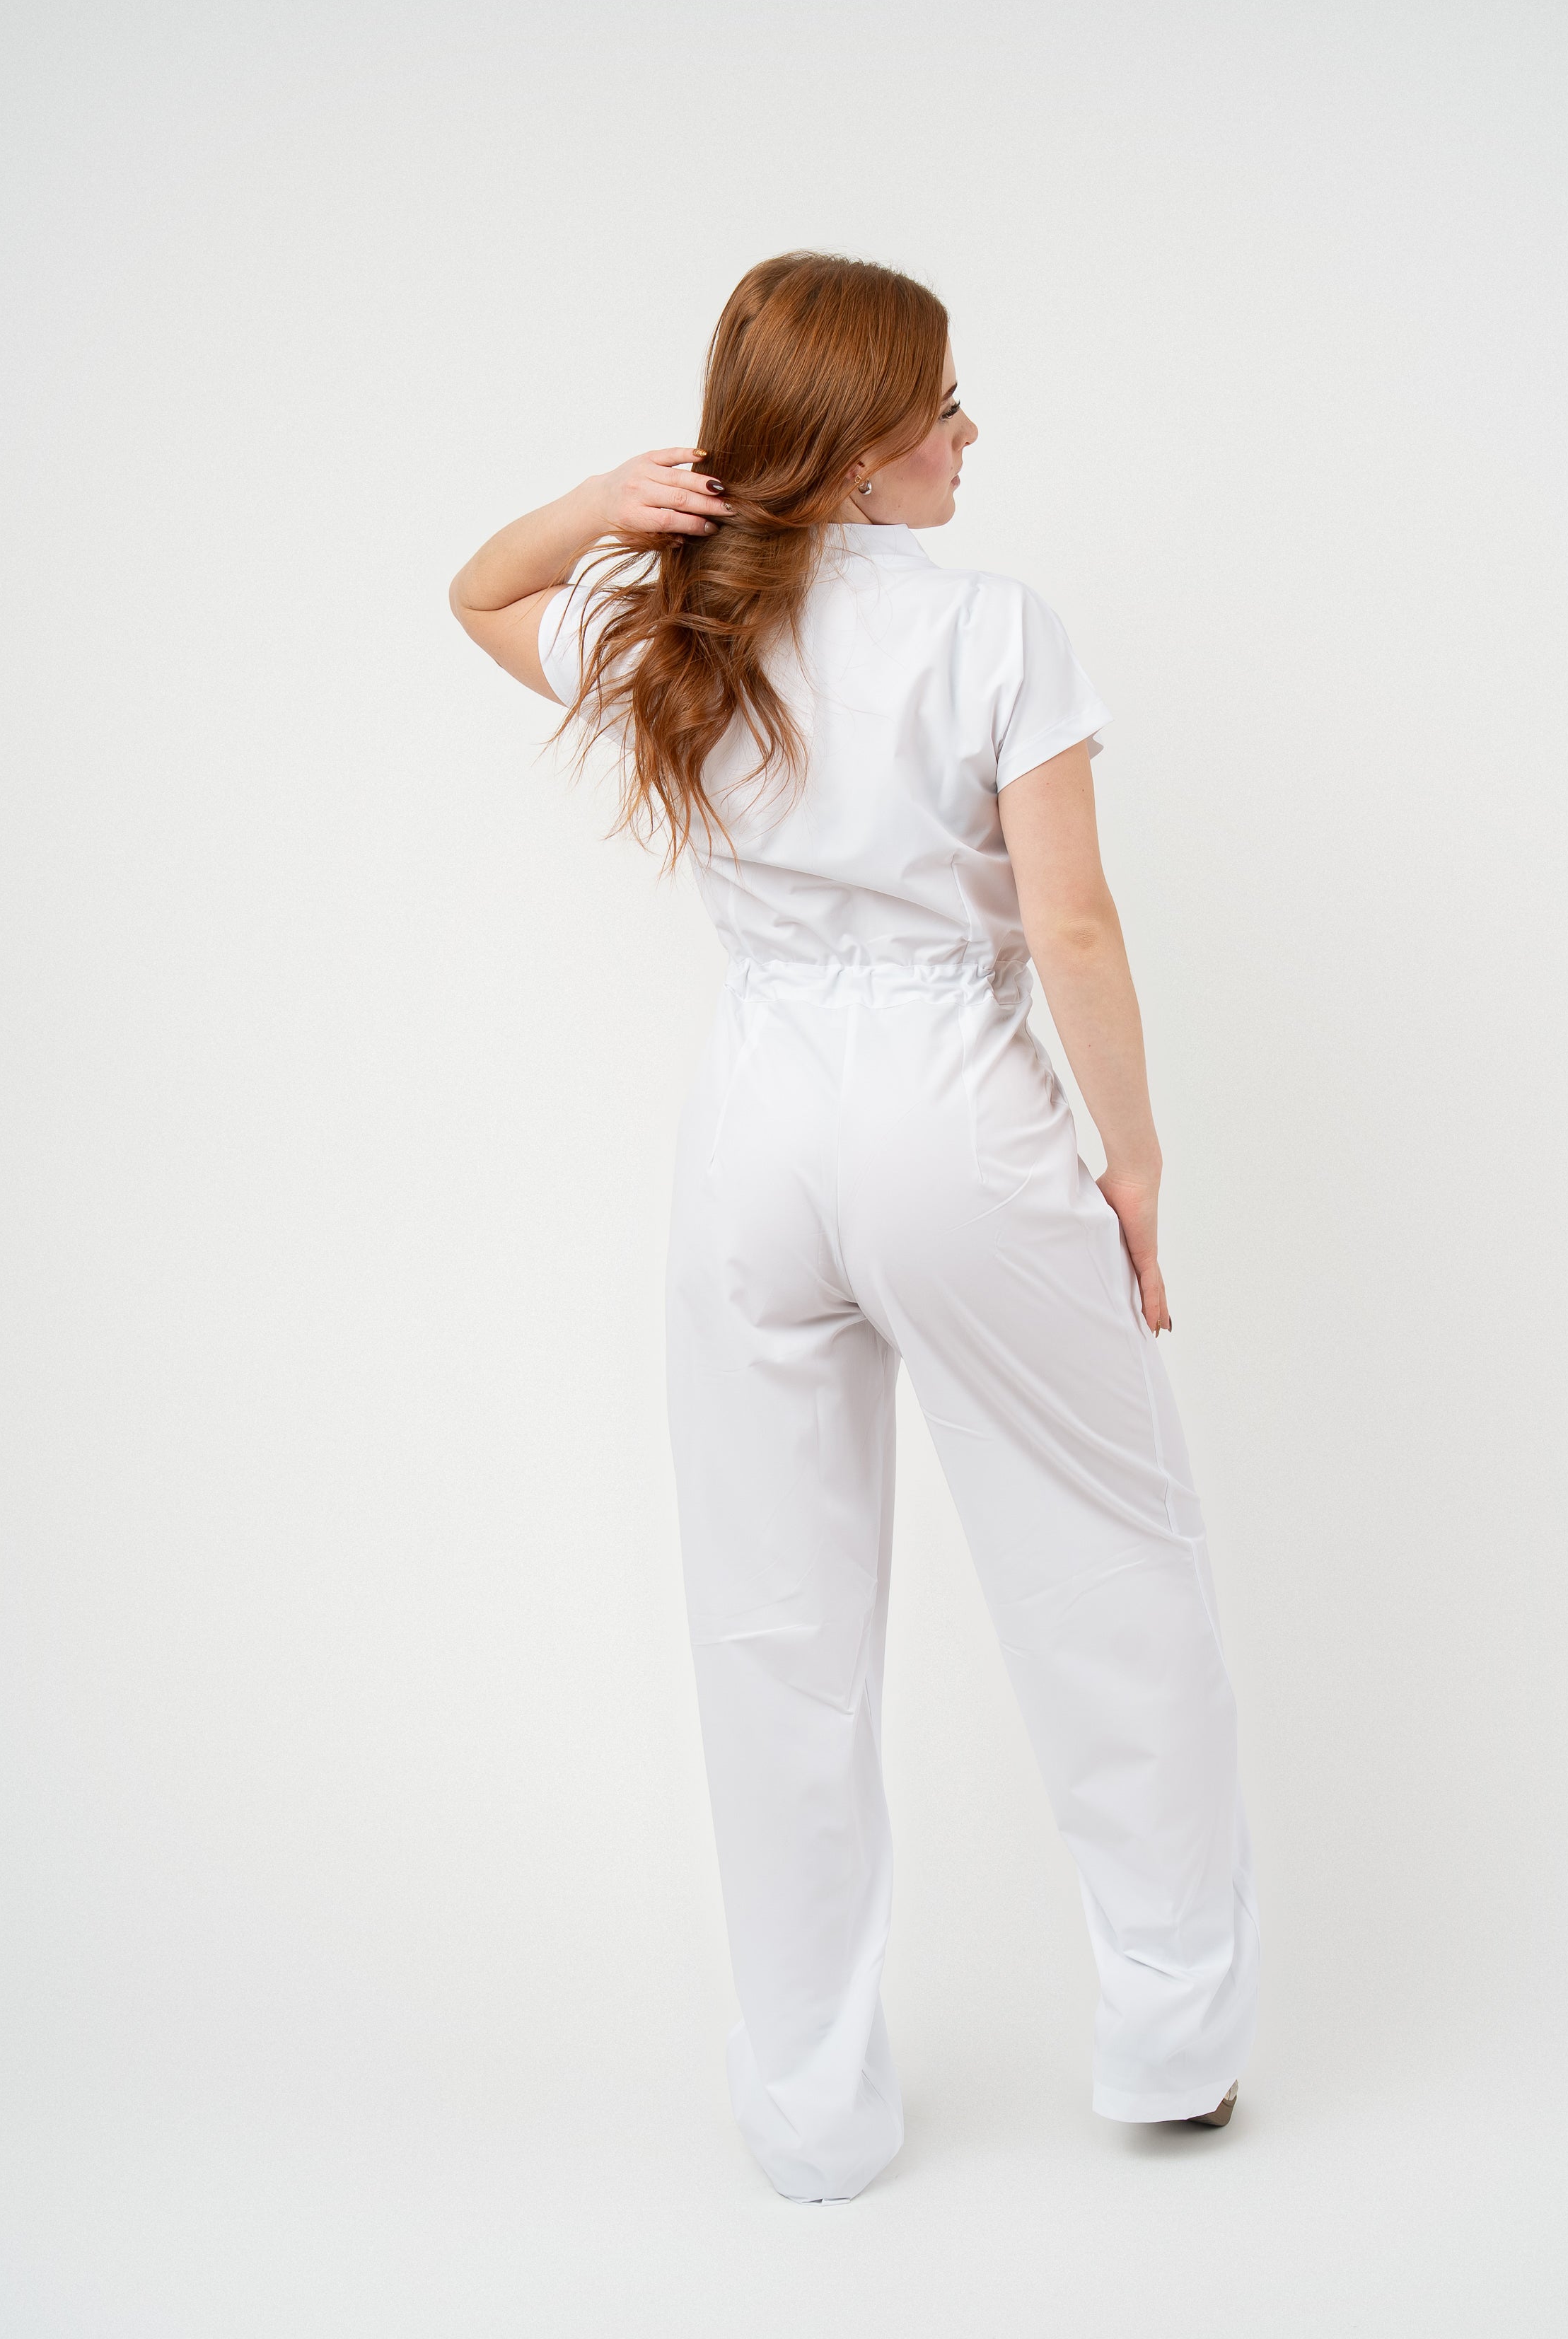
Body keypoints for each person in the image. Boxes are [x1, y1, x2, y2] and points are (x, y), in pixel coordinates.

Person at [448, 252, 1258, 2202]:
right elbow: (1072, 924)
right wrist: (1134, 1165)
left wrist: (610, 504)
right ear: (868, 439)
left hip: (754, 1123)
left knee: (774, 1619)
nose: (969, 435)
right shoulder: (992, 628)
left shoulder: (678, 635)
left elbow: (479, 593)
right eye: (945, 405)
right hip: (951, 1107)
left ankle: (811, 2116)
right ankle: (1171, 2039)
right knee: (1109, 1566)